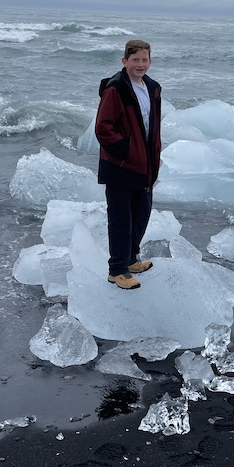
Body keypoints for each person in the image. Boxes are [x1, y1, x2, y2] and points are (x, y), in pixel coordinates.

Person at [95, 38, 163, 290]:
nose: (140, 64)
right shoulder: (116, 89)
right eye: (135, 60)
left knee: (140, 214)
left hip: (145, 164)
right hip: (121, 166)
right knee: (121, 219)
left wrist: (151, 153)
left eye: (145, 60)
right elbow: (103, 128)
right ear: (125, 61)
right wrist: (124, 151)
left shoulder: (153, 88)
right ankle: (117, 270)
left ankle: (131, 259)